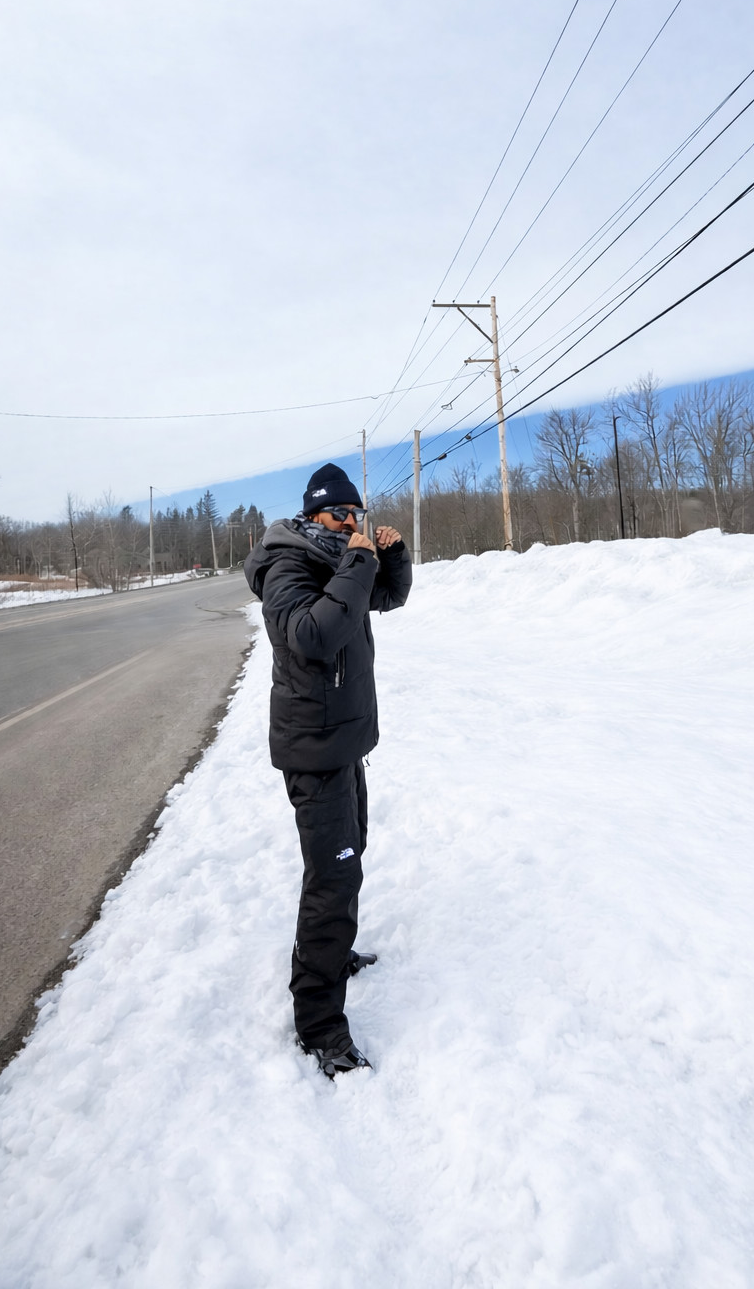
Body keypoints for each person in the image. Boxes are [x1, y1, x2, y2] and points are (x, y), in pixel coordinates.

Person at [244, 462, 412, 1078]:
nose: (351, 523)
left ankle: (333, 957)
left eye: (357, 516)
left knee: (352, 850)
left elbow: (387, 598)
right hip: (313, 749)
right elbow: (314, 636)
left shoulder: (340, 557)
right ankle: (319, 1026)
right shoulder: (287, 566)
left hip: (341, 742)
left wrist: (387, 557)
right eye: (340, 515)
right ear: (313, 516)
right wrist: (359, 563)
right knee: (331, 883)